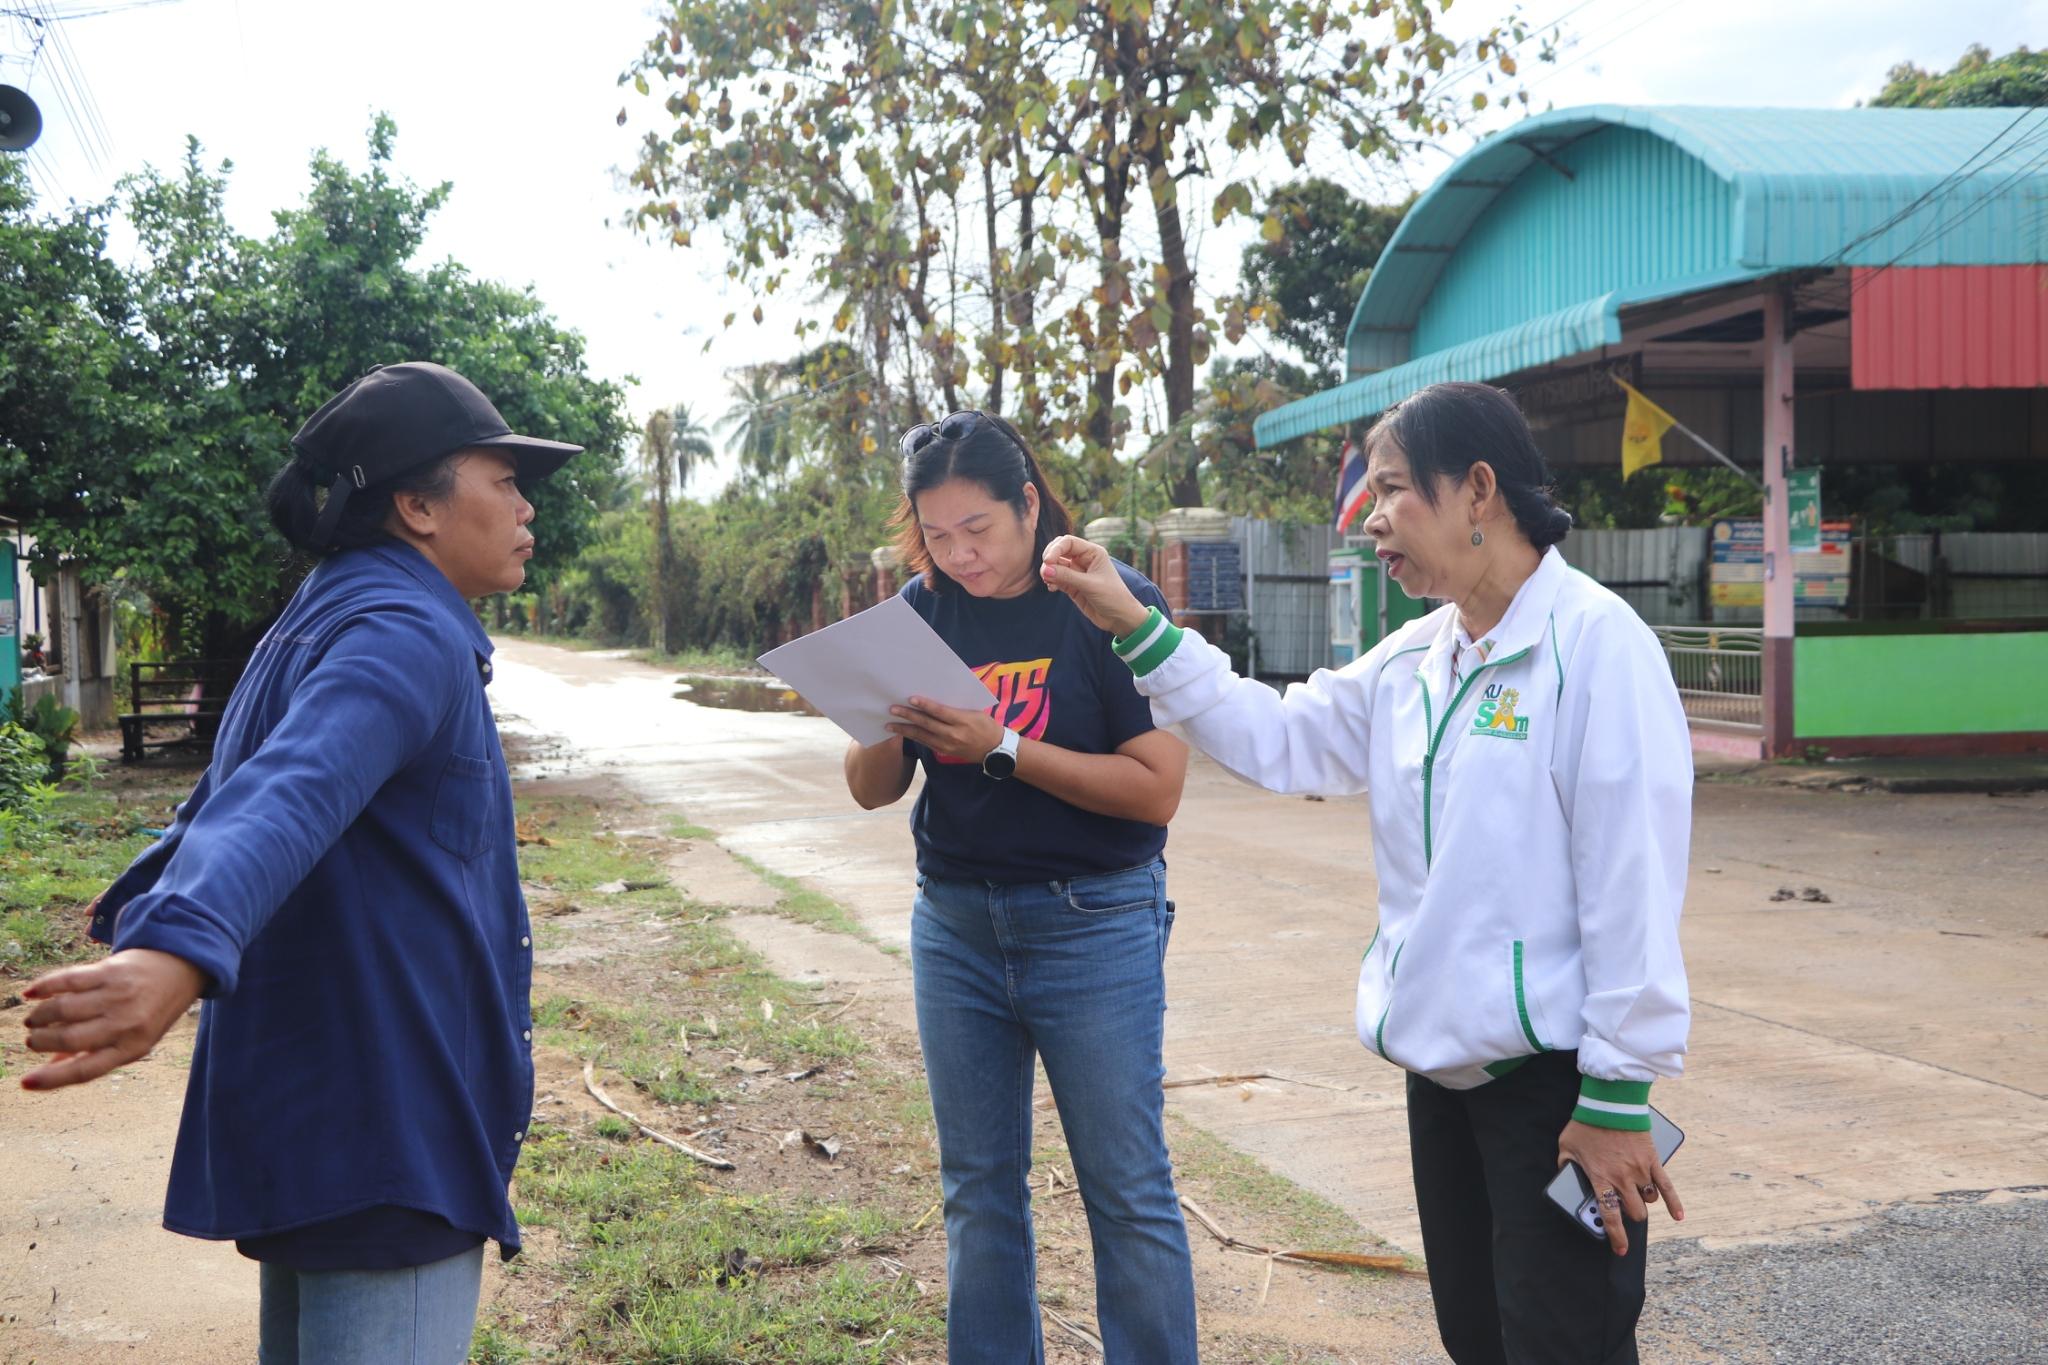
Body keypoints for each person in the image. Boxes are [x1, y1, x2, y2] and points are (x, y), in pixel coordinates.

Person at [1041, 381, 1693, 1365]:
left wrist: (1614, 1099)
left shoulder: (1594, 651)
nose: (1369, 517)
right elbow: (1279, 738)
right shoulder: (1417, 660)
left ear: (1477, 492)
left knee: (1565, 1347)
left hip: (1553, 1095)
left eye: (1392, 490)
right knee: (1479, 1341)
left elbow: (1632, 883)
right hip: (1442, 1083)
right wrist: (1136, 624)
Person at [17, 361, 582, 1365]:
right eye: (503, 480)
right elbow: (292, 789)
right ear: (416, 504)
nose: (526, 506)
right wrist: (177, 945)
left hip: (325, 1114)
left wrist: (166, 924)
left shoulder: (329, 607)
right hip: (389, 1118)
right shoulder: (406, 632)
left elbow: (232, 800)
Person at [843, 410, 1200, 1363]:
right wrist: (884, 719)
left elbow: (1157, 788)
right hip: (955, 924)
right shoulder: (921, 611)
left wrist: (1001, 748)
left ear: (1030, 504)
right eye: (937, 533)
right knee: (978, 1188)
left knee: (1126, 1187)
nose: (959, 555)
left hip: (1094, 923)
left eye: (981, 530)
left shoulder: (1104, 598)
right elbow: (874, 788)